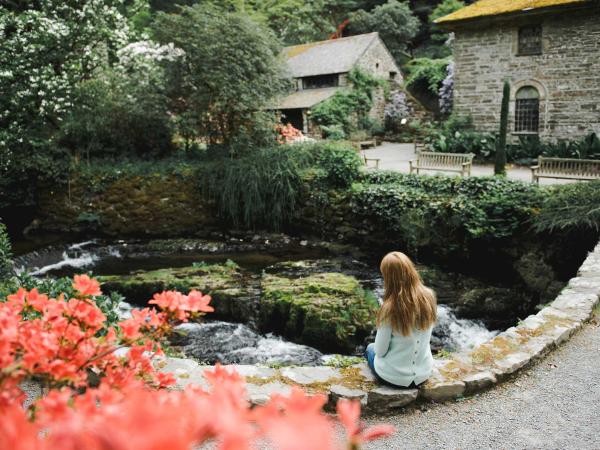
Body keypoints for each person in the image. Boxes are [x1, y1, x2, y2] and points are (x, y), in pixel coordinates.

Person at [365, 251, 437, 388]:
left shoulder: (389, 308)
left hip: (393, 378)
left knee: (370, 348)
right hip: (423, 374)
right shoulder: (429, 296)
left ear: (388, 278)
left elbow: (380, 351)